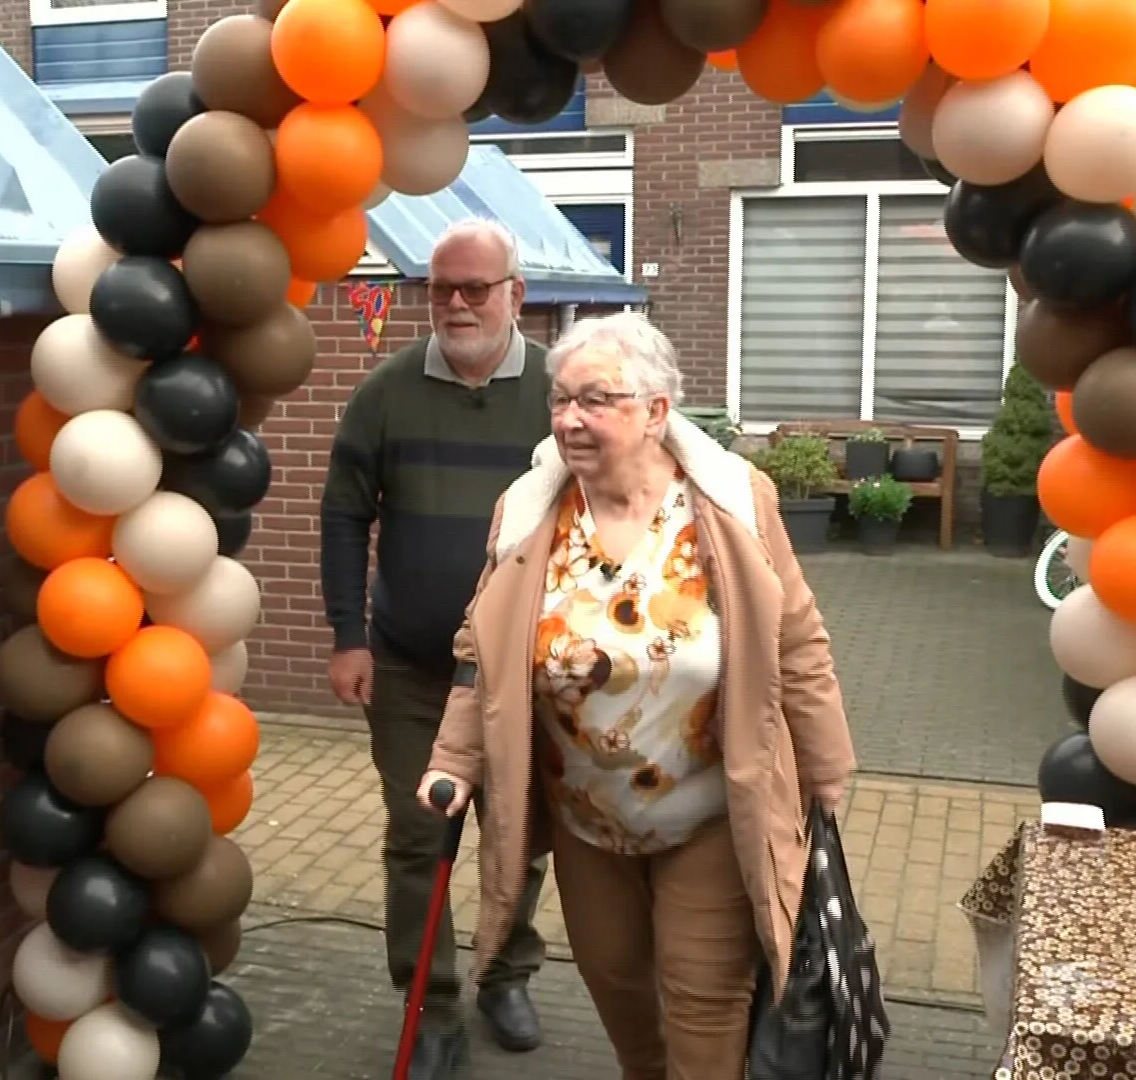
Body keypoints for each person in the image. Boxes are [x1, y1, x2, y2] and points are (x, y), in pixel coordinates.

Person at [418, 312, 859, 1080]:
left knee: (704, 1003)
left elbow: (798, 641)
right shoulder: (528, 513)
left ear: (658, 410)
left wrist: (825, 773)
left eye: (595, 399)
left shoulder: (730, 503)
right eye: (559, 400)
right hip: (587, 818)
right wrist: (453, 758)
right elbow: (476, 652)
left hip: (713, 812)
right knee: (618, 986)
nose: (569, 419)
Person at [319, 218, 552, 1076]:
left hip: (526, 672)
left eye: (475, 288)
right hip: (412, 668)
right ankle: (433, 1006)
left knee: (517, 835)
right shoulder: (383, 392)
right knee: (420, 838)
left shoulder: (560, 396)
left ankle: (505, 974)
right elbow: (344, 515)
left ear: (515, 294)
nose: (455, 303)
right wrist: (349, 638)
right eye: (440, 287)